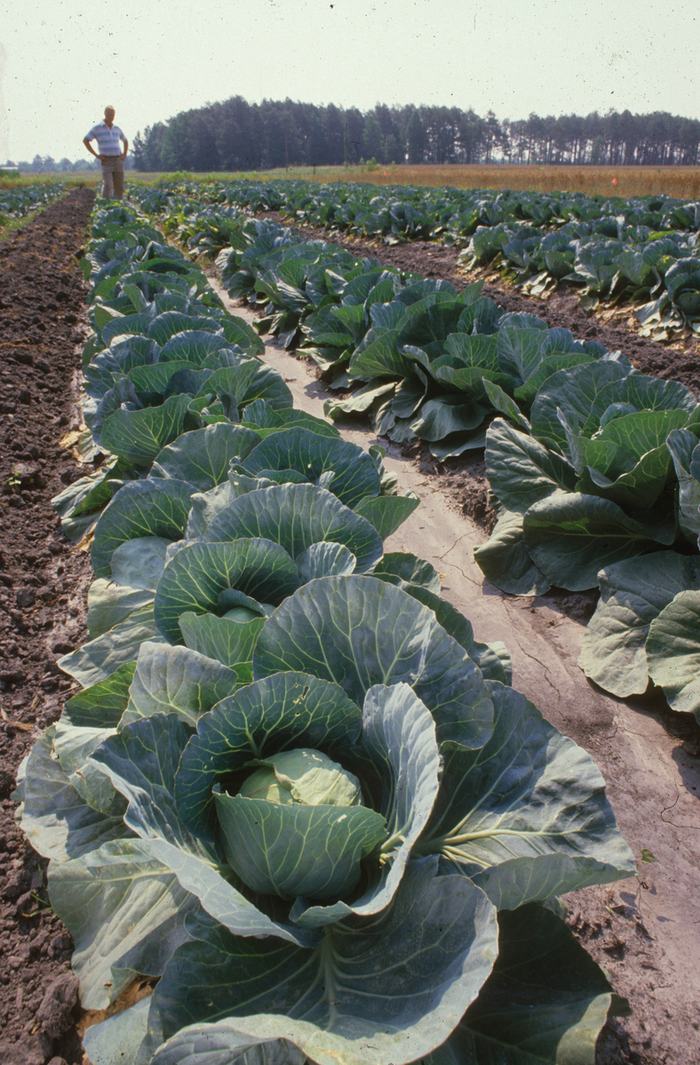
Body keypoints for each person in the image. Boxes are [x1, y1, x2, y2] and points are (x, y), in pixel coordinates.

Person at [83, 106, 129, 199]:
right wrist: (96, 155)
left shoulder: (117, 128)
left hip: (118, 160)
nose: (111, 116)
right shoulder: (97, 128)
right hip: (106, 160)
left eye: (113, 114)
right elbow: (86, 140)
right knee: (108, 185)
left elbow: (125, 141)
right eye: (109, 114)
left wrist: (124, 154)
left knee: (119, 186)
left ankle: (119, 206)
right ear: (105, 114)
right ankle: (104, 205)